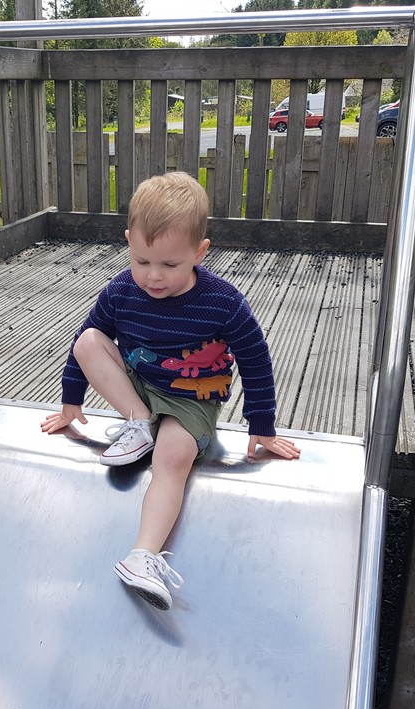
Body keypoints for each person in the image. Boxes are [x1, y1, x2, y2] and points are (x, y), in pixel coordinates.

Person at [41, 172, 300, 610]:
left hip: (189, 397)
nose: (153, 276)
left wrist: (262, 425)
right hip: (139, 386)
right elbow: (89, 340)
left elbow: (255, 357)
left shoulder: (223, 302)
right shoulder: (121, 290)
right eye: (141, 261)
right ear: (129, 242)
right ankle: (140, 424)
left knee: (173, 458)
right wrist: (71, 401)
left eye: (169, 265)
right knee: (87, 340)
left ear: (199, 252)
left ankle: (142, 556)